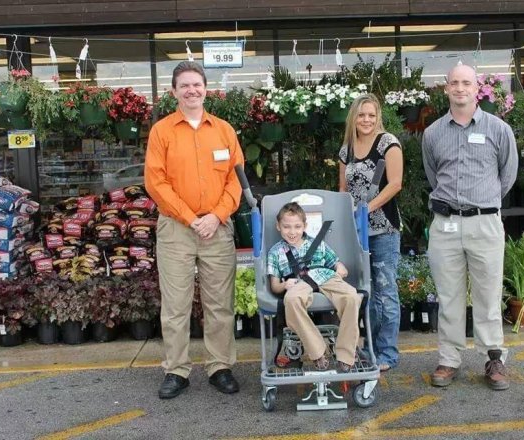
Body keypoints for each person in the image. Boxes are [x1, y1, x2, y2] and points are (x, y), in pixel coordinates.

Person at [145, 61, 245, 399]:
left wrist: (216, 216)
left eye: (196, 84)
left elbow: (236, 179)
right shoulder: (162, 132)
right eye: (184, 85)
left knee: (220, 303)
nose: (191, 90)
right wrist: (191, 218)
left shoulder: (224, 130)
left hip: (217, 227)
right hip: (176, 228)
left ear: (205, 89)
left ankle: (220, 366)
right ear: (174, 92)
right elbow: (156, 182)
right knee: (176, 305)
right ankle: (176, 370)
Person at [421, 64, 518, 391]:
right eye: (454, 83)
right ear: (446, 88)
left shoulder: (498, 130)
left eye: (466, 82)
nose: (460, 88)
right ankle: (449, 359)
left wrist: (482, 203)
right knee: (448, 296)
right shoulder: (433, 133)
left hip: (485, 223)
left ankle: (494, 358)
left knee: (488, 294)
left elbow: (508, 175)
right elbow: (433, 175)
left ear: (477, 88)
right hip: (446, 224)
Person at [338, 93, 403, 372]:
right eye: (362, 115)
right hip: (356, 232)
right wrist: (348, 216)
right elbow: (343, 189)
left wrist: (366, 209)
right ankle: (371, 348)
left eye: (372, 115)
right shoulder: (347, 150)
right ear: (354, 118)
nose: (366, 120)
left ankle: (387, 352)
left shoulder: (388, 143)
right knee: (365, 291)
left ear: (378, 118)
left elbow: (395, 183)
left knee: (385, 292)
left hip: (383, 229)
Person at [267, 202, 362, 373]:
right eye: (286, 227)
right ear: (278, 226)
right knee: (291, 299)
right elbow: (275, 286)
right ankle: (317, 351)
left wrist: (340, 268)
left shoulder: (317, 244)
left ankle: (346, 354)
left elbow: (337, 264)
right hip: (298, 282)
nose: (292, 232)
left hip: (325, 276)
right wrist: (284, 284)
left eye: (297, 227)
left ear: (305, 226)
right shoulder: (276, 252)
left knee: (352, 296)